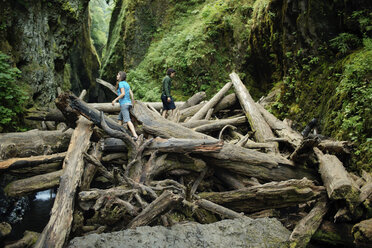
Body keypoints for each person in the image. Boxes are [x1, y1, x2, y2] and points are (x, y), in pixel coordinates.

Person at [112, 71, 138, 140]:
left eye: (118, 75)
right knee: (120, 119)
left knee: (127, 120)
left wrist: (115, 100)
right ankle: (117, 134)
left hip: (124, 104)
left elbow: (123, 94)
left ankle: (135, 135)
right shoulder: (126, 84)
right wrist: (132, 103)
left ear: (120, 76)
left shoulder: (120, 83)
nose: (117, 76)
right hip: (128, 104)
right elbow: (131, 94)